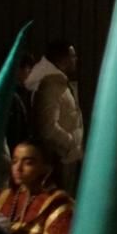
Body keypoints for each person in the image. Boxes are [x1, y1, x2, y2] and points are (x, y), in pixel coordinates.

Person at [25, 38, 84, 191]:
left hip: (68, 159)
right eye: (72, 56)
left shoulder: (61, 83)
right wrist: (71, 144)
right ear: (63, 59)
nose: (75, 60)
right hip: (61, 160)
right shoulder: (50, 86)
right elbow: (48, 127)